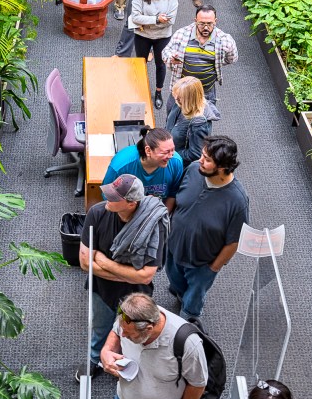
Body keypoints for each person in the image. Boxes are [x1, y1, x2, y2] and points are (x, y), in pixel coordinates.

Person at [78, 175, 168, 382]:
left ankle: (125, 363)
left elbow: (146, 276)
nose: (105, 197)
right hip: (102, 290)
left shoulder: (153, 224)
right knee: (100, 327)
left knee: (132, 334)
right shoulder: (97, 213)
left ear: (131, 203)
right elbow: (85, 263)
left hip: (136, 296)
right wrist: (129, 275)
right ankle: (95, 359)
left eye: (113, 196)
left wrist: (104, 261)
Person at [166, 135, 248, 320]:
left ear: (223, 167)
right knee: (175, 282)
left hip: (202, 263)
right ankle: (180, 294)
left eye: (207, 160)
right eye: (202, 155)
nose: (200, 160)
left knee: (192, 302)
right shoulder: (194, 169)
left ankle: (189, 320)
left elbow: (234, 241)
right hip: (174, 248)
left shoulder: (237, 201)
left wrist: (213, 268)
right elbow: (177, 195)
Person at [162, 7, 238, 110]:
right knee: (172, 121)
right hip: (182, 91)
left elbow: (232, 58)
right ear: (195, 21)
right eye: (202, 24)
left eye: (209, 23)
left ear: (215, 21)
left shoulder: (225, 40)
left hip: (205, 93)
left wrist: (217, 62)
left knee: (203, 123)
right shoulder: (181, 34)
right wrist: (171, 58)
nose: (206, 27)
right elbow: (165, 52)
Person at [130, 0, 179, 110]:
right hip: (142, 35)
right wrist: (157, 19)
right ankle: (140, 90)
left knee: (161, 64)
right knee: (141, 63)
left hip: (162, 36)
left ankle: (158, 92)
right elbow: (135, 17)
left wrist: (147, 21)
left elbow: (171, 20)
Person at [102, 127, 183, 212]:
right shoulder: (121, 166)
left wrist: (163, 217)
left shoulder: (176, 162)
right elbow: (108, 197)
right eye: (165, 152)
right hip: (127, 211)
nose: (171, 156)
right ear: (148, 150)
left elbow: (173, 194)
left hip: (156, 212)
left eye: (172, 150)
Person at [165, 77, 220, 166]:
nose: (175, 98)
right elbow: (169, 124)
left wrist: (171, 155)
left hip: (177, 163)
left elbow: (195, 154)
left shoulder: (199, 124)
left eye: (178, 98)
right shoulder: (180, 102)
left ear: (189, 99)